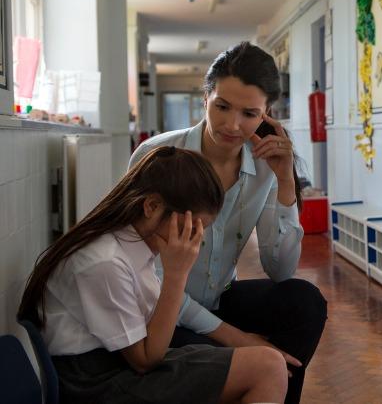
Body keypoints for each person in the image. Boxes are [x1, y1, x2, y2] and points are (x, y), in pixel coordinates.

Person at [129, 41, 327, 404]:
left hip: (217, 301)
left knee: (305, 300)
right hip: (160, 313)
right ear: (205, 97)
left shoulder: (267, 164)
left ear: (268, 114)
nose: (232, 125)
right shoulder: (157, 157)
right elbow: (146, 277)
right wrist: (235, 337)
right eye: (221, 106)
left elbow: (281, 270)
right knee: (237, 357)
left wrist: (285, 181)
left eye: (249, 113)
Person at [18, 146, 290, 404]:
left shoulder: (133, 243)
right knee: (266, 368)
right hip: (97, 382)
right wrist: (176, 274)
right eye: (191, 225)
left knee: (264, 362)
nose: (197, 237)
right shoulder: (105, 262)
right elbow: (146, 359)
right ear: (151, 207)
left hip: (116, 364)